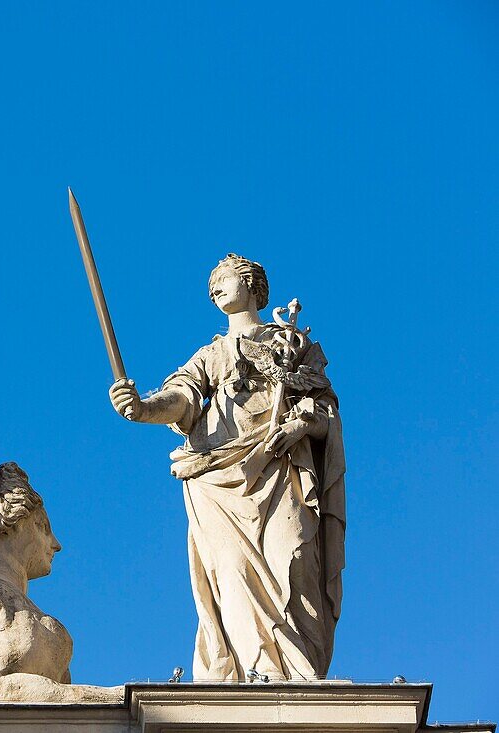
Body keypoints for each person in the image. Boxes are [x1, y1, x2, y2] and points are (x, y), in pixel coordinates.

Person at [109, 254, 345, 681]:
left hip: (280, 466)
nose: (214, 287)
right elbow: (181, 397)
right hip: (217, 478)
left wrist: (298, 424)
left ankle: (299, 674)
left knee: (294, 556)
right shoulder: (211, 355)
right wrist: (144, 408)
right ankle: (255, 671)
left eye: (224, 279)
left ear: (253, 284)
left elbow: (325, 409)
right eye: (211, 284)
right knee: (232, 573)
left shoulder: (293, 344)